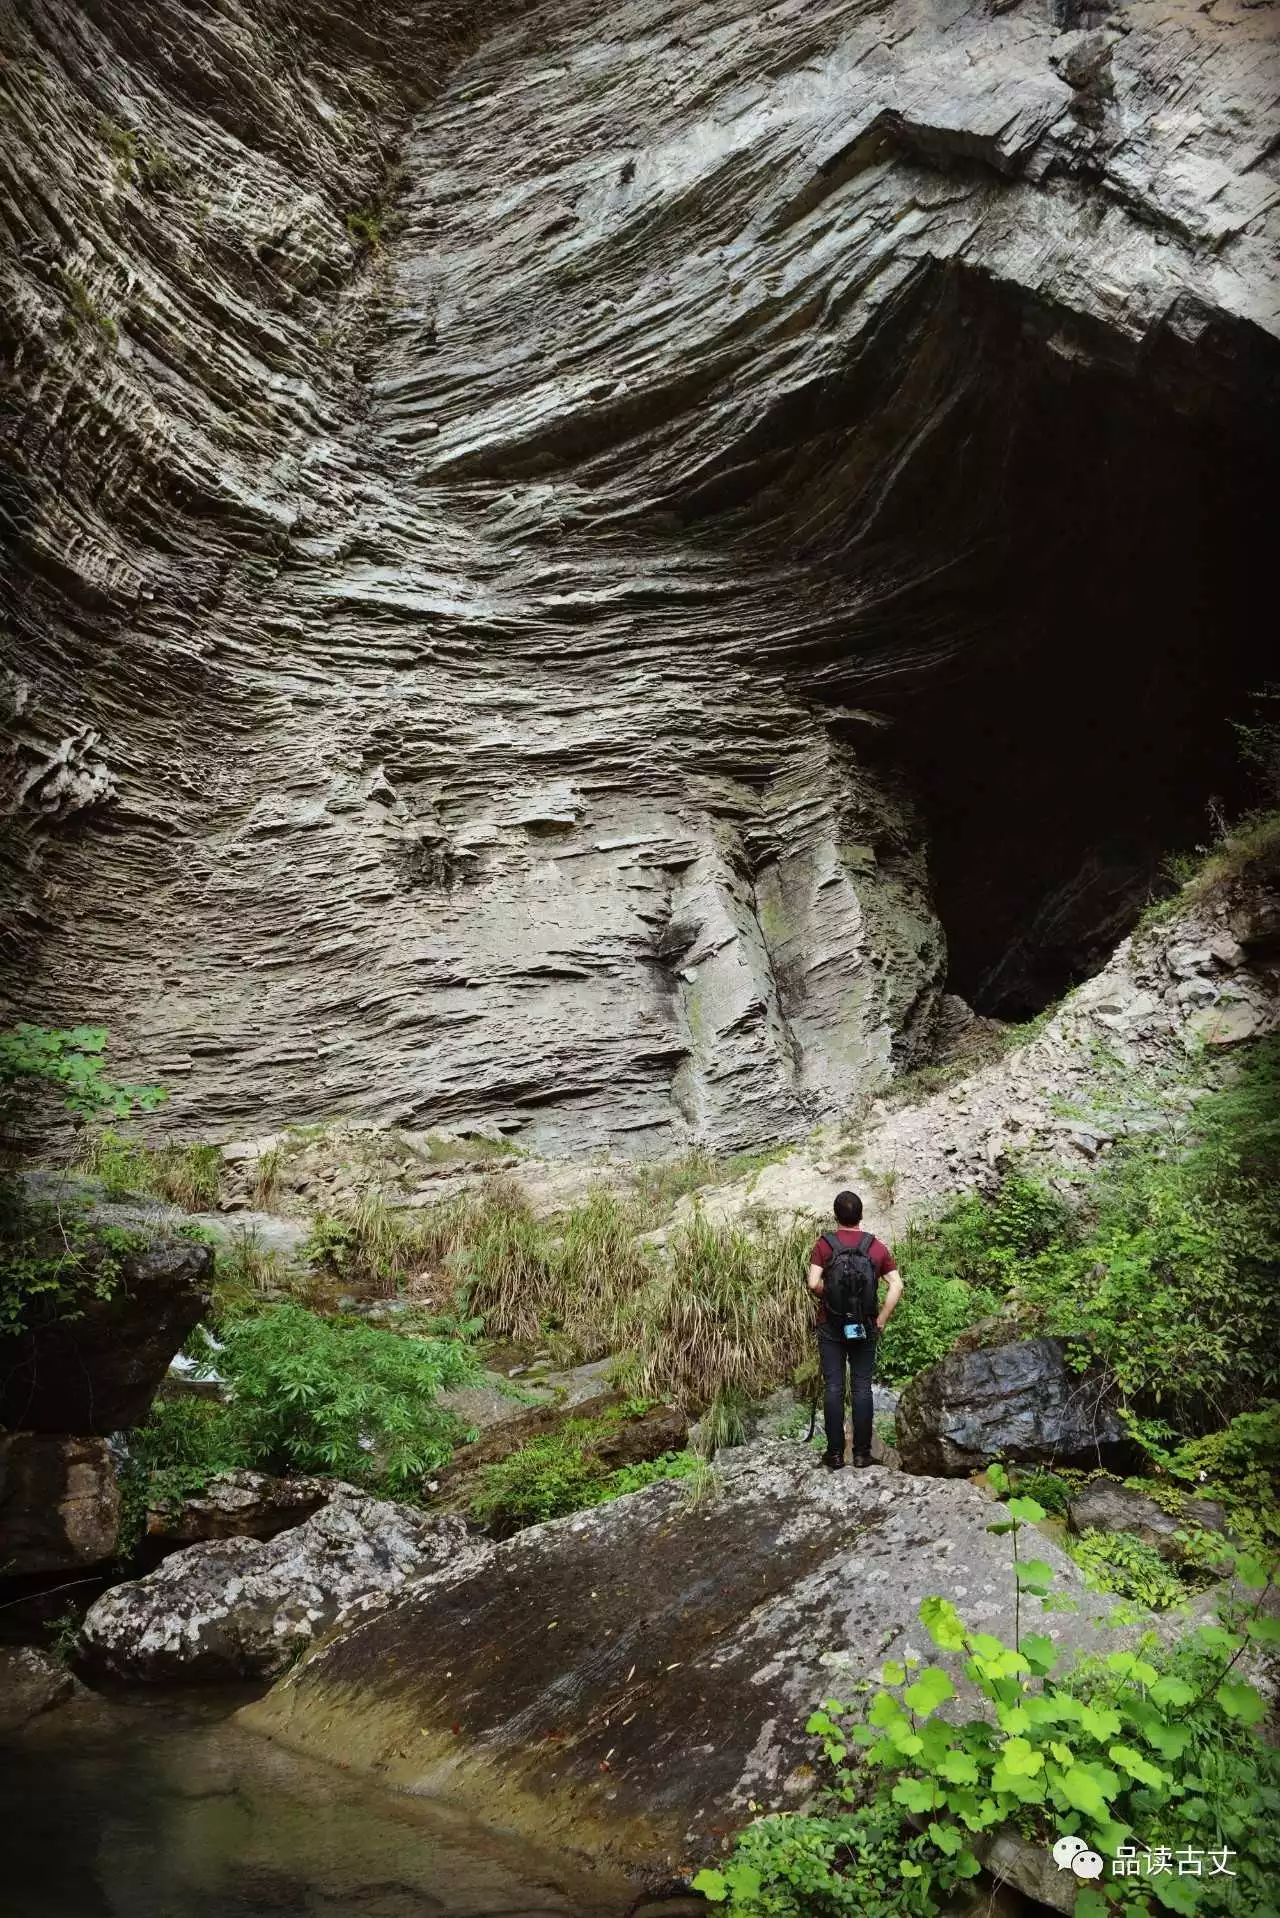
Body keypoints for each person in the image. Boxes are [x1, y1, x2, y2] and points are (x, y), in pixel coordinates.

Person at [807, 1190, 903, 1470]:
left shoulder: (825, 1245)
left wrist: (831, 1296)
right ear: (861, 1215)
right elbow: (896, 1285)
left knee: (834, 1387)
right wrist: (881, 1318)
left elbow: (813, 1283)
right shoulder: (876, 1247)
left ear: (836, 1216)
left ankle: (835, 1454)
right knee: (862, 1388)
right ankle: (862, 1454)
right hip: (865, 1325)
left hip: (832, 1326)